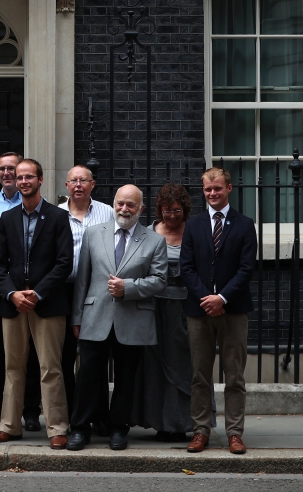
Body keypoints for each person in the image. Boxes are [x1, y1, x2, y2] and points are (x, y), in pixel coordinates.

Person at [68, 184, 167, 451]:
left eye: (131, 205)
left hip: (133, 319)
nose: (124, 209)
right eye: (120, 203)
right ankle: (79, 428)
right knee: (88, 375)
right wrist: (77, 318)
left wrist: (129, 288)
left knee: (126, 378)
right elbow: (82, 280)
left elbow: (159, 281)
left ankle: (118, 429)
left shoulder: (154, 240)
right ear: (114, 204)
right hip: (94, 316)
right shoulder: (92, 234)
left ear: (141, 209)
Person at [0, 158, 72, 450]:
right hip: (12, 303)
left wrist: (37, 293)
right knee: (13, 367)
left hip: (46, 303)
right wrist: (12, 294)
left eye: (28, 177)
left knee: (51, 368)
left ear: (40, 180)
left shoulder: (58, 217)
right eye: (19, 177)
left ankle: (57, 427)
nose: (22, 181)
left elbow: (64, 263)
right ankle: (9, 426)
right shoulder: (6, 218)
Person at [181, 167, 257, 455]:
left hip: (234, 310)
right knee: (200, 374)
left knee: (234, 375)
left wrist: (222, 298)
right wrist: (207, 298)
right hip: (200, 310)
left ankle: (235, 433)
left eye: (217, 188)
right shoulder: (194, 224)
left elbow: (247, 268)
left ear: (229, 189)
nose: (212, 193)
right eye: (208, 189)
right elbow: (185, 268)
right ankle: (200, 430)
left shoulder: (244, 224)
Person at [132, 182, 196, 441]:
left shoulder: (193, 233)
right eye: (166, 211)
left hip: (182, 308)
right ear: (158, 210)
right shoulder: (147, 232)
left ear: (185, 210)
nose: (171, 216)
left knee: (181, 366)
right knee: (153, 366)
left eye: (177, 211)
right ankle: (158, 422)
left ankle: (179, 423)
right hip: (151, 307)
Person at [0, 151, 41, 432]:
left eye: (13, 170)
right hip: (1, 290)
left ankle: (31, 411)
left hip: (32, 292)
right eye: (3, 169)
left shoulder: (34, 206)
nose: (8, 174)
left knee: (31, 357)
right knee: (2, 356)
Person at [59, 165, 115, 434]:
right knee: (64, 356)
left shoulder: (108, 212)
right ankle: (73, 414)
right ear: (66, 185)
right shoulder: (56, 214)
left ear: (93, 185)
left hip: (97, 292)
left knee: (95, 357)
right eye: (74, 181)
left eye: (84, 180)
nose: (78, 185)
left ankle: (100, 416)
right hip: (62, 291)